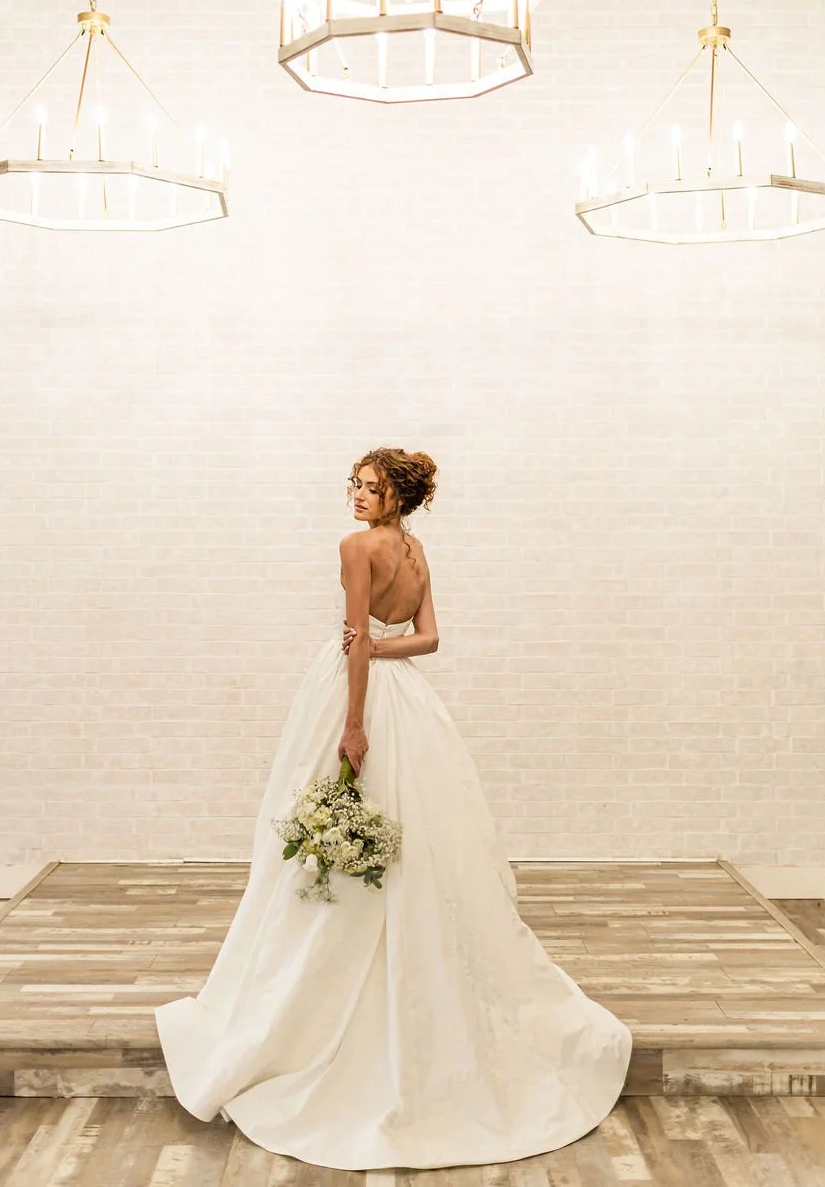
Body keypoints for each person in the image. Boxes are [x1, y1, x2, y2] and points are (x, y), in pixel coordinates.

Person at [154, 446, 632, 1170]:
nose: (356, 495)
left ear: (396, 497)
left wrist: (352, 722)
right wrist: (385, 655)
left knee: (337, 822)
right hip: (410, 700)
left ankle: (318, 993)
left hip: (360, 698)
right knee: (408, 839)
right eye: (353, 484)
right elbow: (430, 640)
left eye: (370, 487)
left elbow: (353, 637)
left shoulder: (356, 549)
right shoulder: (414, 550)